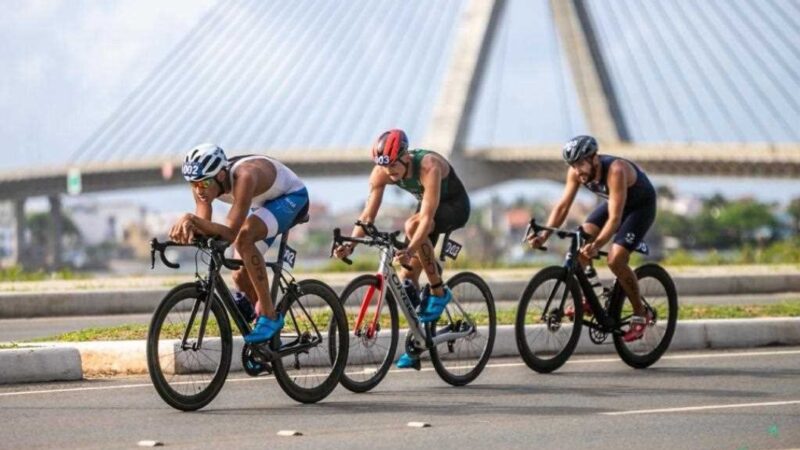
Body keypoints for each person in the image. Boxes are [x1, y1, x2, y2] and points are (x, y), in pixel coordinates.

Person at [332, 129, 471, 368]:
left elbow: (426, 219)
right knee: (407, 277)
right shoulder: (382, 172)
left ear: (405, 155)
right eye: (384, 166)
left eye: (393, 165)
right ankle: (419, 343)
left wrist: (410, 249)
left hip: (454, 207)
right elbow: (367, 216)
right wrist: (350, 244)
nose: (389, 172)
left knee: (412, 225)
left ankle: (439, 291)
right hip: (427, 211)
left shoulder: (429, 166)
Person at [169, 143, 309, 344]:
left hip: (292, 197)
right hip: (261, 204)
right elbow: (204, 223)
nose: (198, 190)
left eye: (203, 184)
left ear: (221, 176)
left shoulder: (245, 177)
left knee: (243, 240)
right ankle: (264, 335)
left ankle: (270, 315)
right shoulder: (201, 182)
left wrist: (193, 220)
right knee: (239, 275)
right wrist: (191, 231)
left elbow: (230, 233)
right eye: (193, 184)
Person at [526, 135, 657, 342]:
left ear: (594, 158)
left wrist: (596, 245)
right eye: (573, 165)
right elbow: (562, 207)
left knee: (615, 259)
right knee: (578, 244)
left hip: (639, 208)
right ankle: (592, 296)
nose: (577, 171)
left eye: (580, 164)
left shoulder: (616, 170)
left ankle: (641, 314)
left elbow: (615, 219)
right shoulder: (576, 173)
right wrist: (544, 235)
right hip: (615, 202)